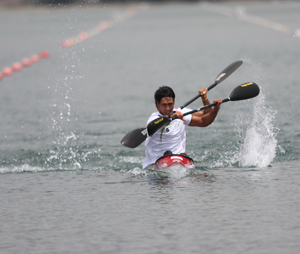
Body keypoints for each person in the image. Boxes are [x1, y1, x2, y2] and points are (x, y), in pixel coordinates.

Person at [143, 86, 222, 169]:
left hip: (180, 158)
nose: (168, 108)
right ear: (157, 104)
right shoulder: (153, 119)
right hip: (157, 161)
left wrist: (212, 106)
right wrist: (170, 116)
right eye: (164, 105)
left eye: (170, 104)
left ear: (174, 102)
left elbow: (204, 119)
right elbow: (151, 127)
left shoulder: (180, 113)